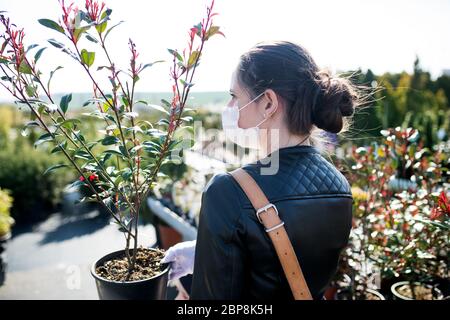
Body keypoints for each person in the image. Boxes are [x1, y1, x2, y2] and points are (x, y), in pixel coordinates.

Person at [162, 40, 360, 300]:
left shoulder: (228, 191)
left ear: (268, 103)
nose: (230, 108)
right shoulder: (340, 186)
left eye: (235, 96)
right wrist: (208, 251)